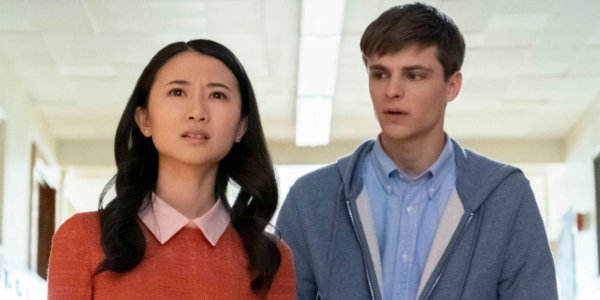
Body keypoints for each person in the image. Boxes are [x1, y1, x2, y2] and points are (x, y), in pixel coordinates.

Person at [276, 3, 557, 300]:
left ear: (452, 86)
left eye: (413, 75)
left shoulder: (506, 197)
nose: (392, 91)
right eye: (380, 74)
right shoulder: (311, 200)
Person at [48, 39, 296, 299]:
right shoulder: (82, 238)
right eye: (177, 92)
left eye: (217, 95)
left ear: (241, 126)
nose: (198, 112)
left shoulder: (270, 257)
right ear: (144, 119)